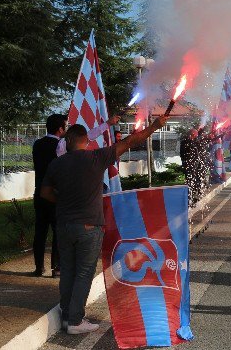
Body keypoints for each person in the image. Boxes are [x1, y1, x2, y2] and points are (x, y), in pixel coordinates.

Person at [40, 114, 169, 334]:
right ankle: (75, 321)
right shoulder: (96, 158)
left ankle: (66, 316)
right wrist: (155, 126)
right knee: (83, 273)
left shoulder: (56, 164)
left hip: (63, 226)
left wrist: (63, 201)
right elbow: (129, 142)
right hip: (89, 227)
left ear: (68, 141)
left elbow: (44, 193)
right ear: (86, 141)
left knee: (68, 271)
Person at [31, 114, 119, 277]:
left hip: (40, 193)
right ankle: (57, 267)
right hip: (56, 194)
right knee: (58, 231)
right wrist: (107, 124)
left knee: (40, 232)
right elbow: (88, 136)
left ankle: (38, 267)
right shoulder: (61, 145)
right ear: (60, 130)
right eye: (66, 126)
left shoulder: (37, 144)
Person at [180, 128, 210, 206]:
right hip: (189, 167)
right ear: (192, 134)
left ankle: (195, 197)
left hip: (195, 167)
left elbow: (203, 142)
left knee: (196, 182)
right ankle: (189, 200)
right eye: (195, 135)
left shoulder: (193, 142)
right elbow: (185, 154)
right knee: (190, 183)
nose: (197, 137)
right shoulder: (186, 142)